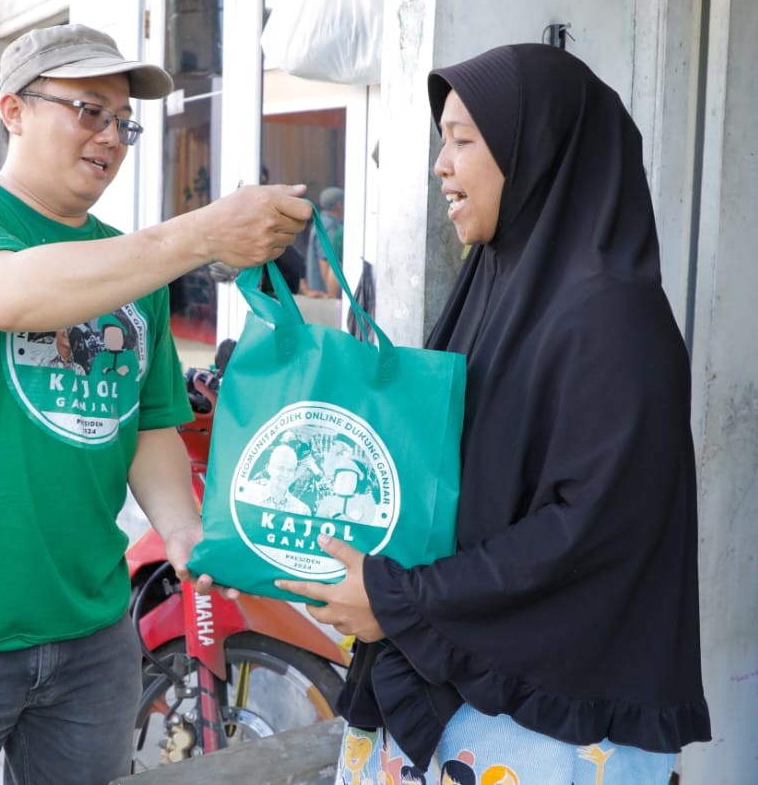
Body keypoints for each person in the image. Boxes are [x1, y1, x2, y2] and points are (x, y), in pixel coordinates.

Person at [0, 23, 311, 784]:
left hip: (93, 633)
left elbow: (149, 423)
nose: (110, 135)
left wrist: (180, 529)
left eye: (123, 121)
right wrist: (202, 231)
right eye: (88, 110)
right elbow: (12, 295)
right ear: (13, 109)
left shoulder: (129, 263)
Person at [277, 44, 711, 782]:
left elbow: (591, 530)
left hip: (552, 724)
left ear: (535, 152)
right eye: (441, 141)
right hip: (472, 694)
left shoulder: (612, 317)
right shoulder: (496, 284)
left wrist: (402, 600)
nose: (441, 165)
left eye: (465, 140)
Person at [305, 185, 345, 297]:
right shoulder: (330, 226)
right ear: (339, 205)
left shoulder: (321, 221)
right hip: (323, 292)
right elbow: (326, 260)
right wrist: (331, 294)